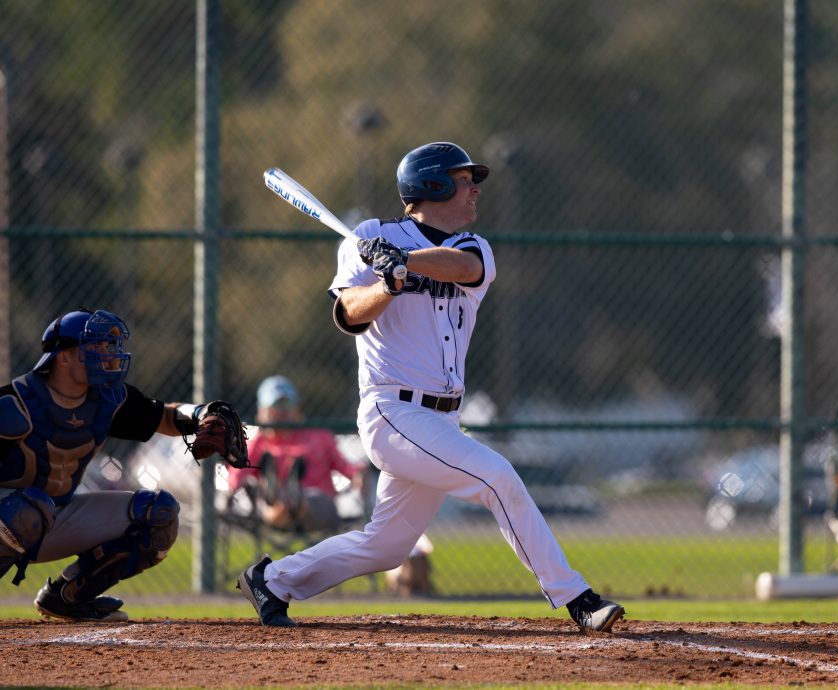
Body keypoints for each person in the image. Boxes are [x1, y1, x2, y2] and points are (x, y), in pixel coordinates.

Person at [238, 142, 624, 631]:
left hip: (440, 418)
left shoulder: (472, 247)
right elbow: (348, 314)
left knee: (387, 546)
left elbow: (462, 269)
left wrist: (403, 261)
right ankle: (577, 598)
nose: (474, 189)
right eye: (464, 180)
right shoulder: (367, 237)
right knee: (497, 476)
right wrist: (387, 284)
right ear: (434, 184)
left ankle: (272, 580)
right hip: (391, 411)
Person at [0, 308, 245, 621]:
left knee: (158, 515)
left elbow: (166, 417)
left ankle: (68, 597)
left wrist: (201, 415)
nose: (107, 356)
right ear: (63, 357)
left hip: (52, 517)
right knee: (27, 511)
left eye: (108, 348)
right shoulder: (14, 404)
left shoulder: (108, 399)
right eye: (96, 348)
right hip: (12, 517)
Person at [227, 375, 363, 532]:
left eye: (286, 407)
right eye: (275, 408)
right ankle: (283, 503)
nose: (281, 413)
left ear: (297, 409)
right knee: (268, 498)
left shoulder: (320, 437)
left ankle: (295, 501)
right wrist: (259, 435)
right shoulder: (258, 443)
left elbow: (348, 469)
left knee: (311, 498)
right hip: (273, 510)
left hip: (319, 507)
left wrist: (359, 473)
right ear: (262, 411)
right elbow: (235, 481)